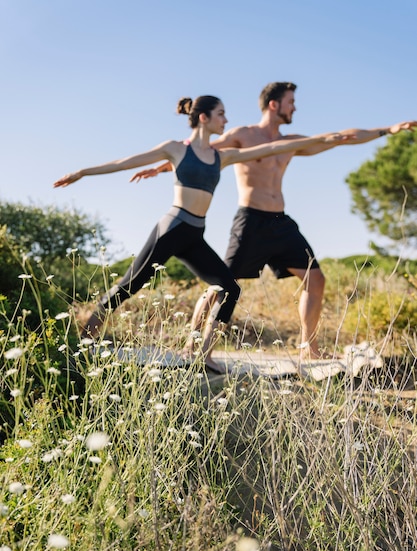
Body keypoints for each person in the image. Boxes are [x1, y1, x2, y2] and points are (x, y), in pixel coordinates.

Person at [53, 94, 347, 369]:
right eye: (221, 114)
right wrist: (82, 172)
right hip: (172, 228)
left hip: (195, 235)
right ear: (204, 118)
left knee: (229, 288)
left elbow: (271, 148)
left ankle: (205, 355)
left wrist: (329, 139)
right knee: (132, 284)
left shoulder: (223, 157)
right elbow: (124, 162)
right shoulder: (176, 148)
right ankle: (86, 339)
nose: (226, 120)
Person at [132, 82, 417, 362]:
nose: (295, 107)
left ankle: (308, 347)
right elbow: (200, 149)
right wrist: (161, 166)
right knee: (221, 285)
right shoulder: (243, 134)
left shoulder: (290, 143)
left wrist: (387, 130)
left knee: (315, 279)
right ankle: (193, 346)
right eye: (291, 102)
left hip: (280, 223)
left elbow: (338, 137)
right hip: (250, 221)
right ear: (274, 104)